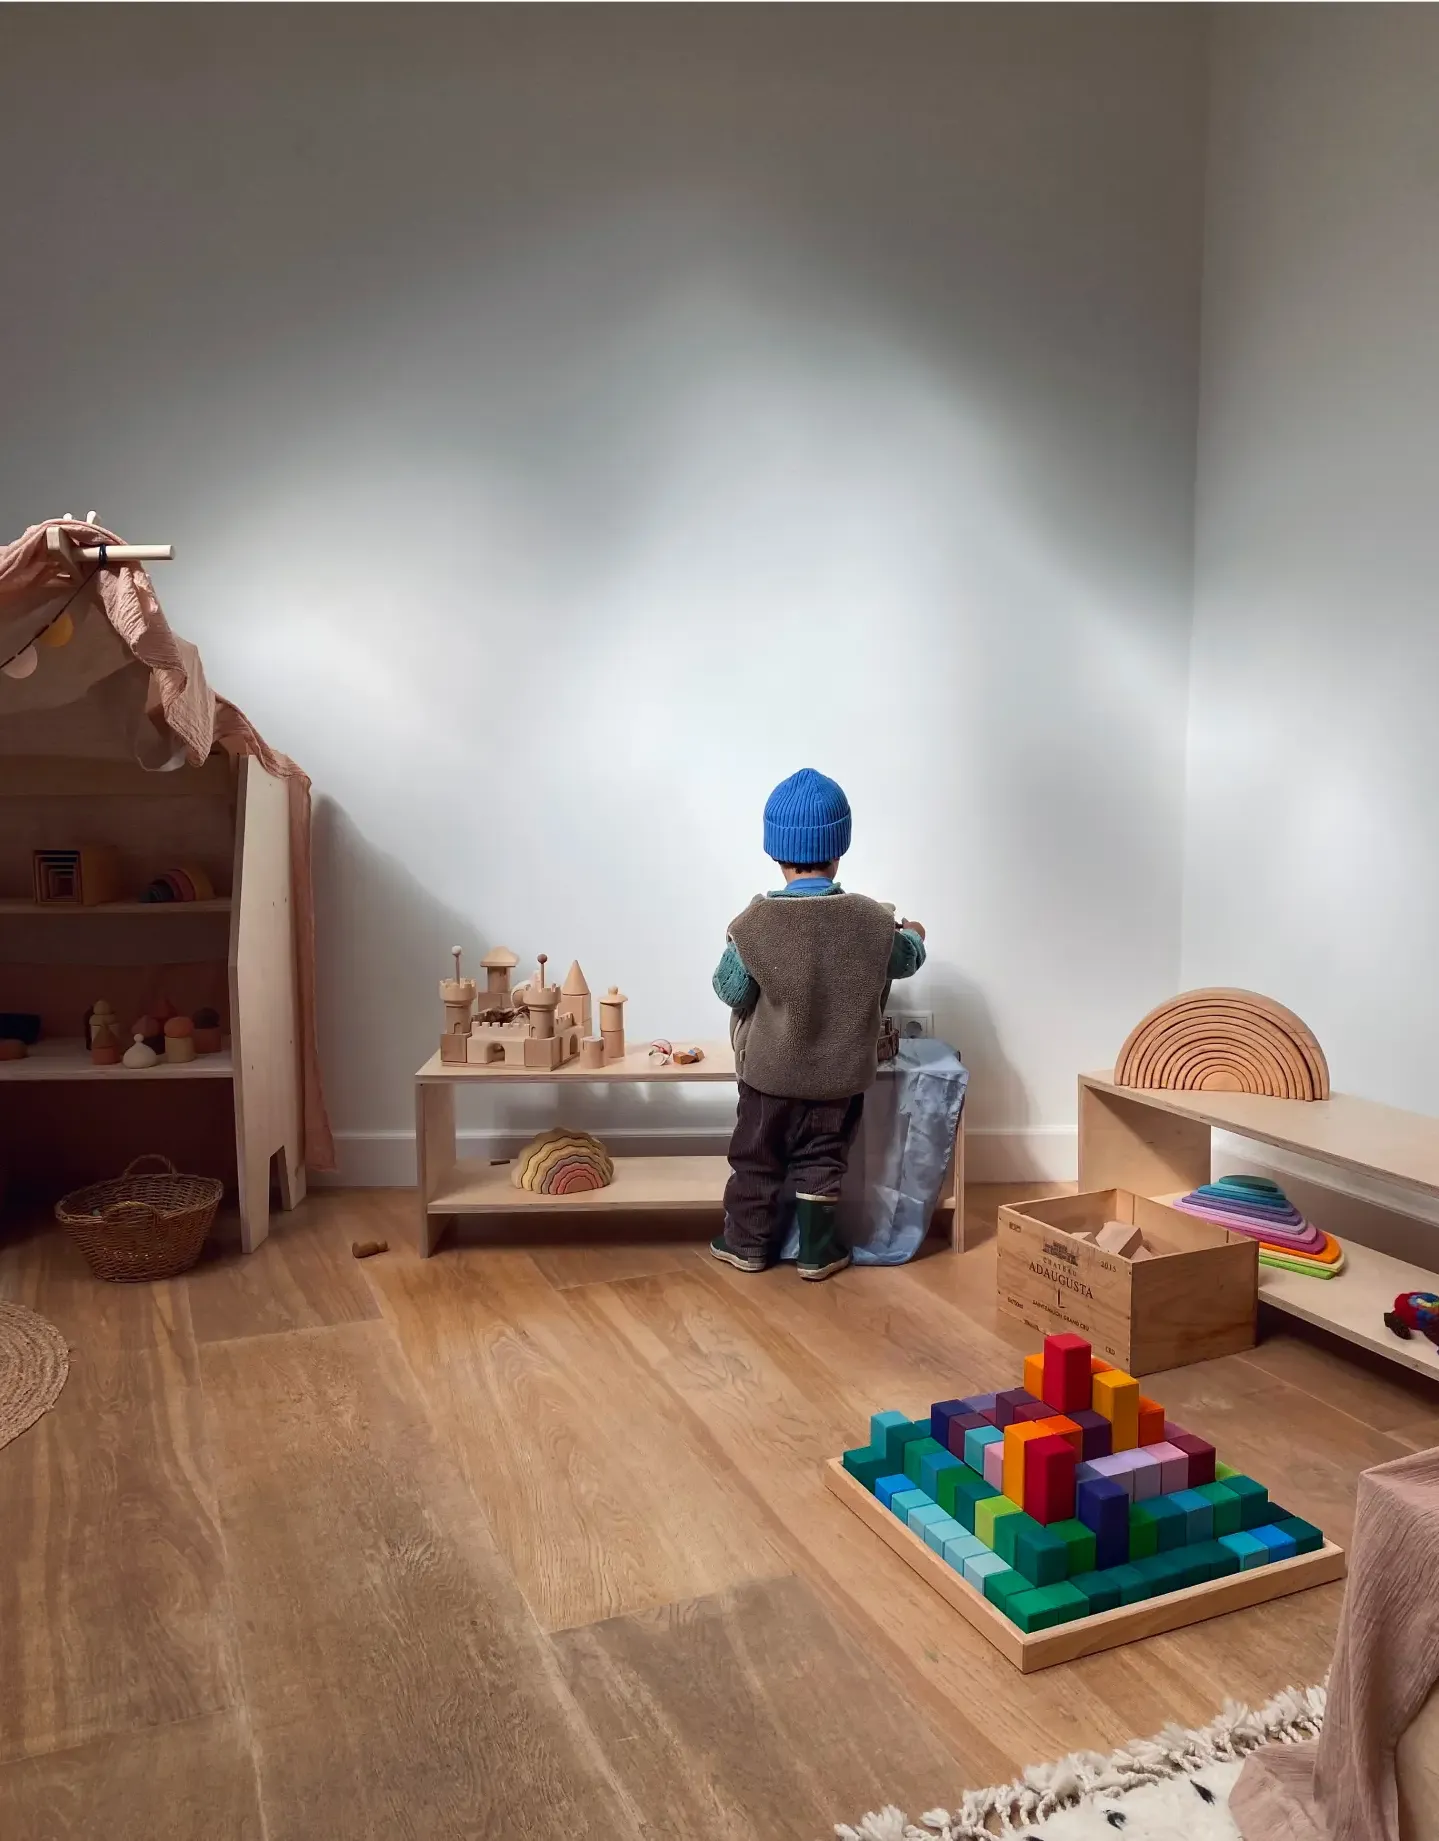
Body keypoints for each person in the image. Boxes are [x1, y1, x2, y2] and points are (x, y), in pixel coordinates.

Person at [711, 768, 926, 1280]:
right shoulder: (872, 920)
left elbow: (731, 991)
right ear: (840, 847)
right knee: (822, 1160)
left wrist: (739, 951)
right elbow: (906, 960)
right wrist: (916, 934)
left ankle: (746, 1244)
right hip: (838, 1078)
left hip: (768, 1077)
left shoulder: (754, 922)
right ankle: (817, 1249)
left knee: (755, 1158)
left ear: (773, 850)